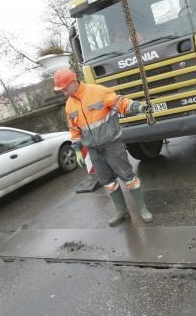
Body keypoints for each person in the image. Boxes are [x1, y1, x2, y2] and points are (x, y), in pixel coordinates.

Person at [53, 68, 154, 226]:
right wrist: (78, 149)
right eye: (62, 90)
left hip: (112, 144)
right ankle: (122, 211)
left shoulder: (97, 91)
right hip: (94, 150)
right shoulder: (69, 105)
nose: (64, 92)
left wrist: (138, 107)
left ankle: (142, 209)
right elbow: (74, 129)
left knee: (128, 177)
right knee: (107, 181)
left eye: (64, 88)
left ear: (73, 82)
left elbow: (121, 103)